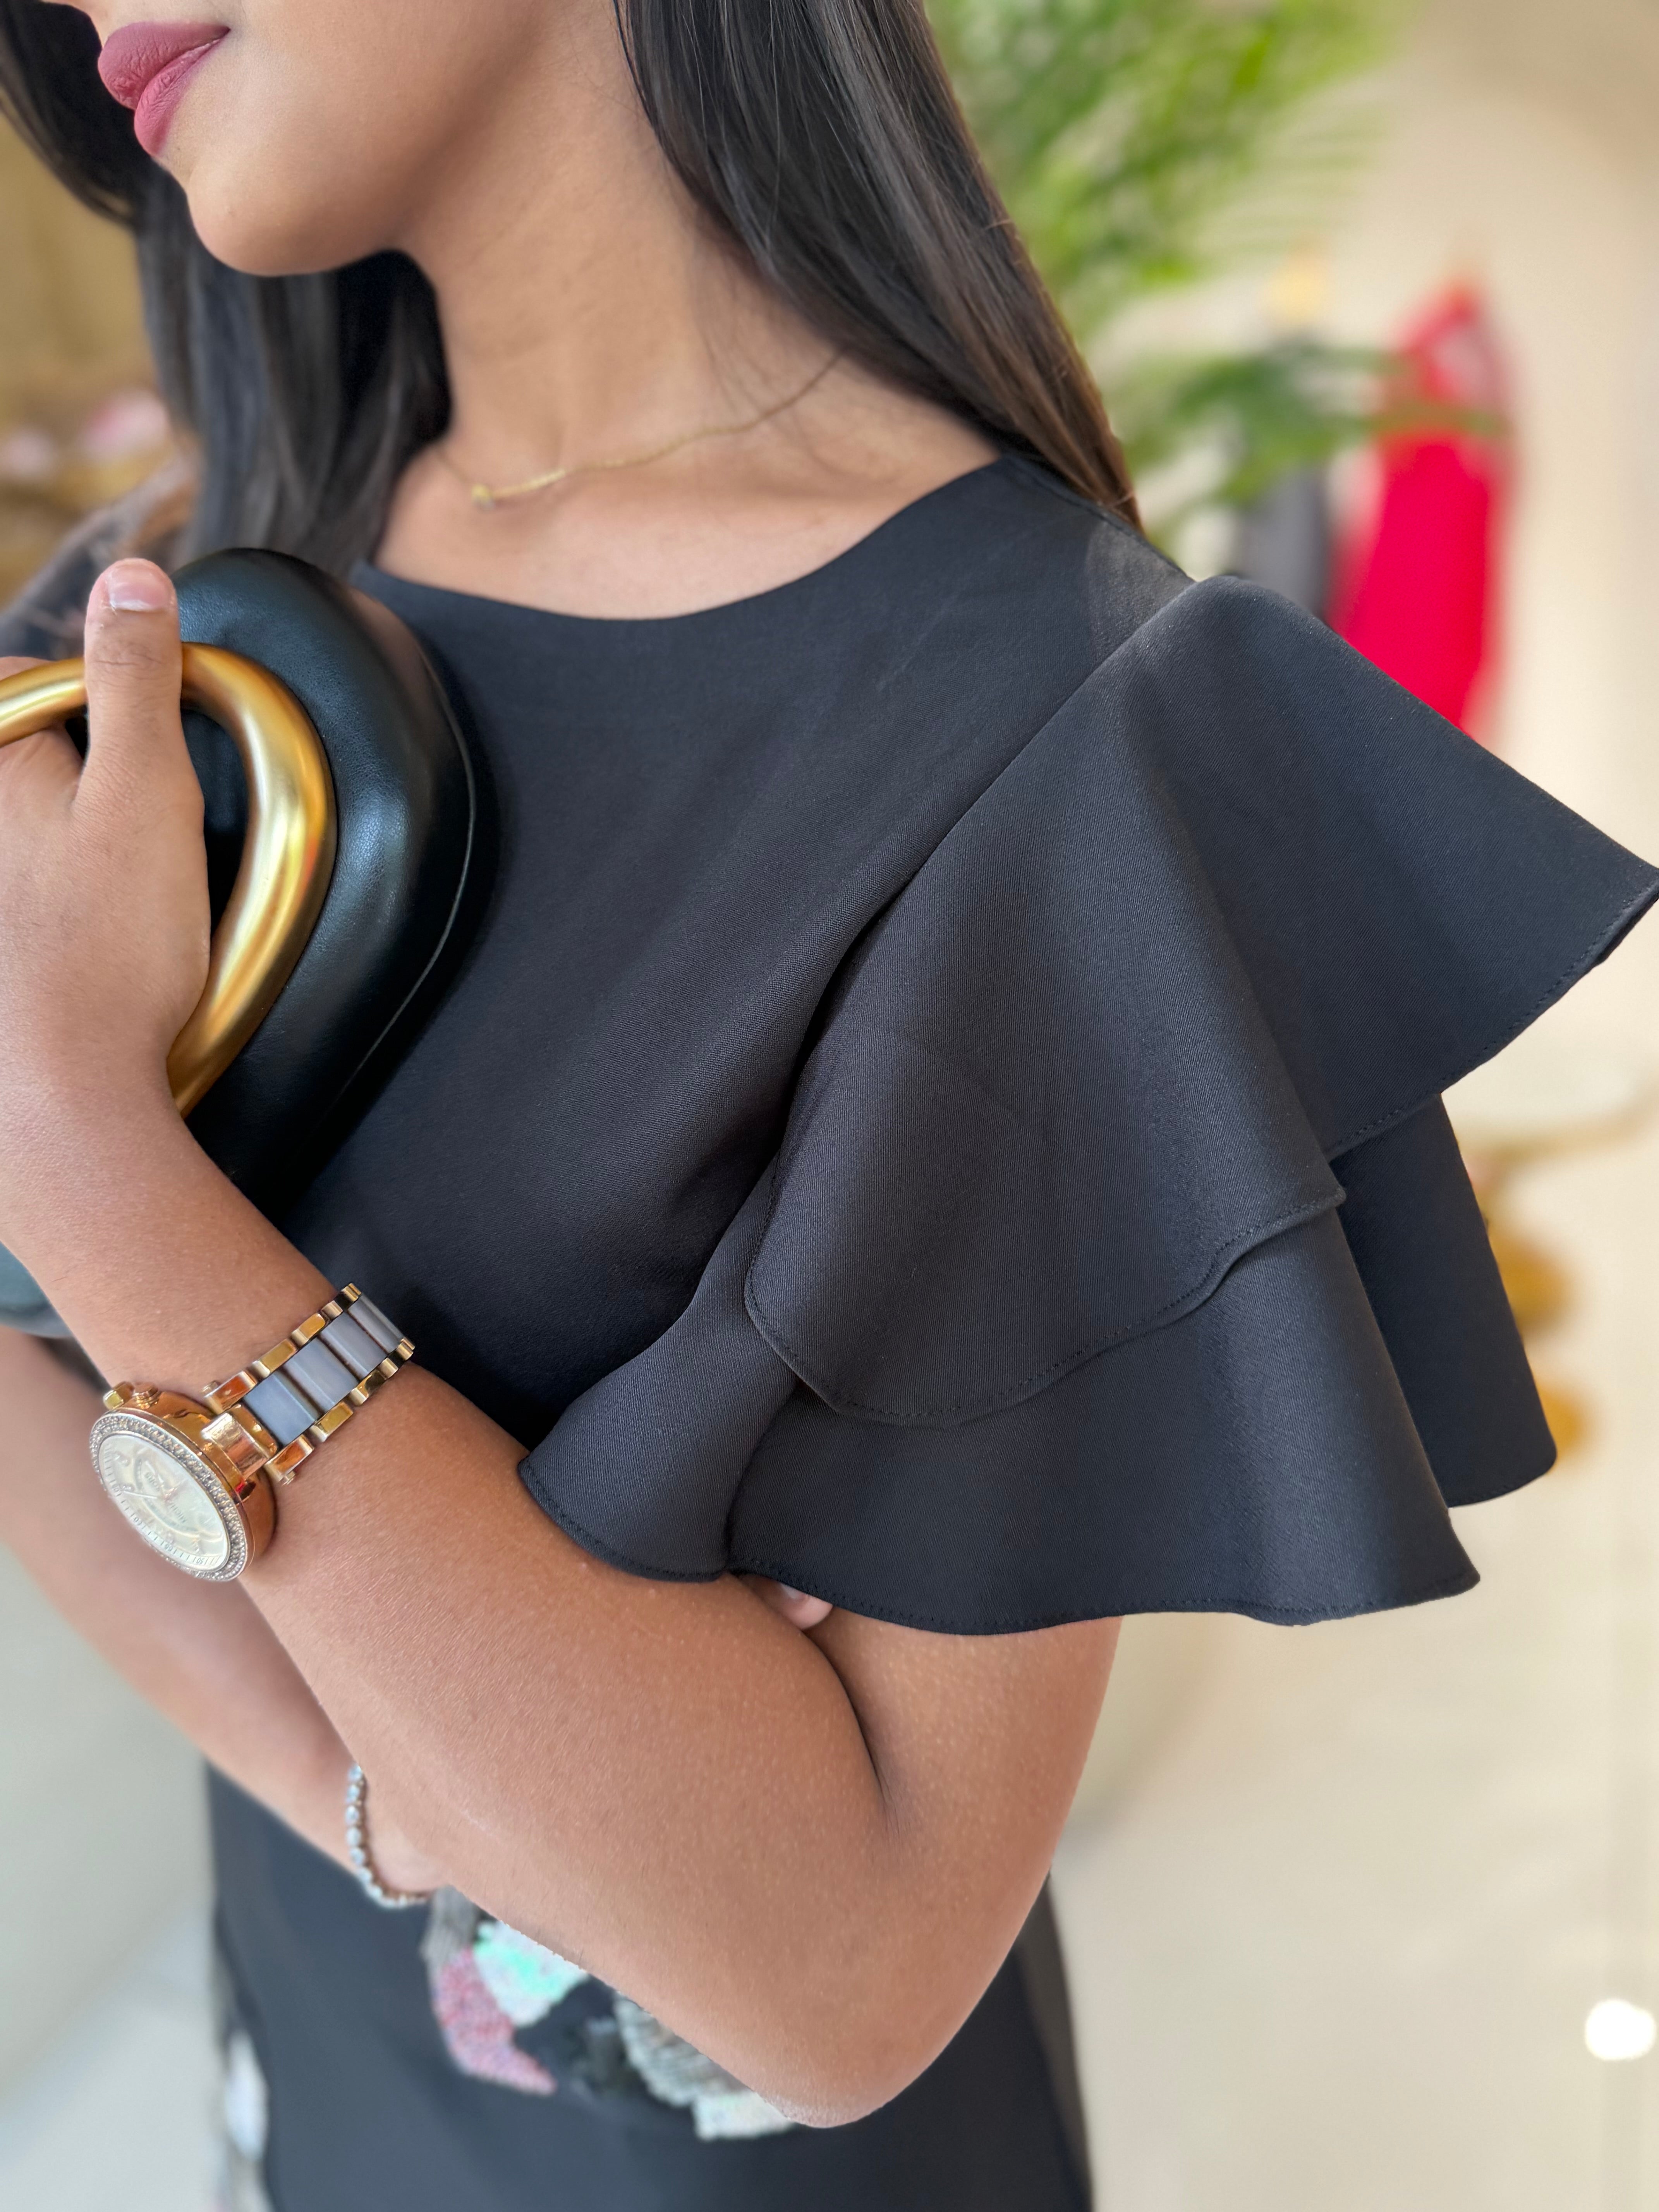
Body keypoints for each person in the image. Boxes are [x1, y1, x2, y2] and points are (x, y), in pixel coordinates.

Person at [0, 4, 1651, 2209]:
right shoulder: (181, 621)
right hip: (309, 2086)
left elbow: (837, 1966)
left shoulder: (1061, 736)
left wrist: (90, 1162)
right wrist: (420, 1782)